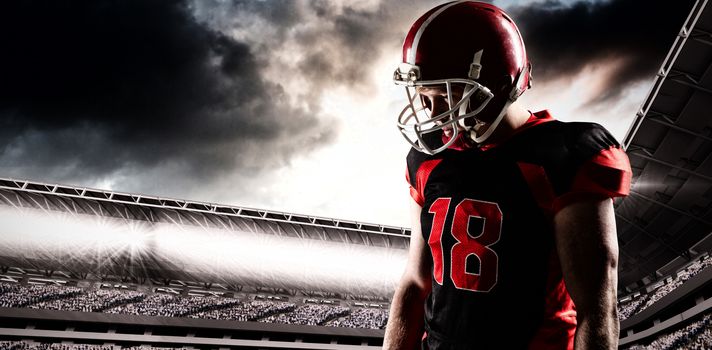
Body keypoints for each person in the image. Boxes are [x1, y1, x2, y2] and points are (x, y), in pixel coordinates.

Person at [383, 2, 632, 349]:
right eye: (424, 98)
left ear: (497, 86)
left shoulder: (562, 156)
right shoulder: (427, 160)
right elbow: (415, 282)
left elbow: (597, 310)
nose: (433, 114)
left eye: (444, 97)